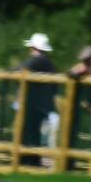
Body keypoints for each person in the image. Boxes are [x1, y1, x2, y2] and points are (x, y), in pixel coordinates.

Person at [19, 32, 56, 163]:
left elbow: (21, 68)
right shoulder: (46, 61)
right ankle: (30, 160)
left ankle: (30, 162)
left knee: (32, 135)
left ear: (35, 48)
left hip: (36, 107)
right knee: (34, 135)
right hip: (39, 106)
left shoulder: (39, 60)